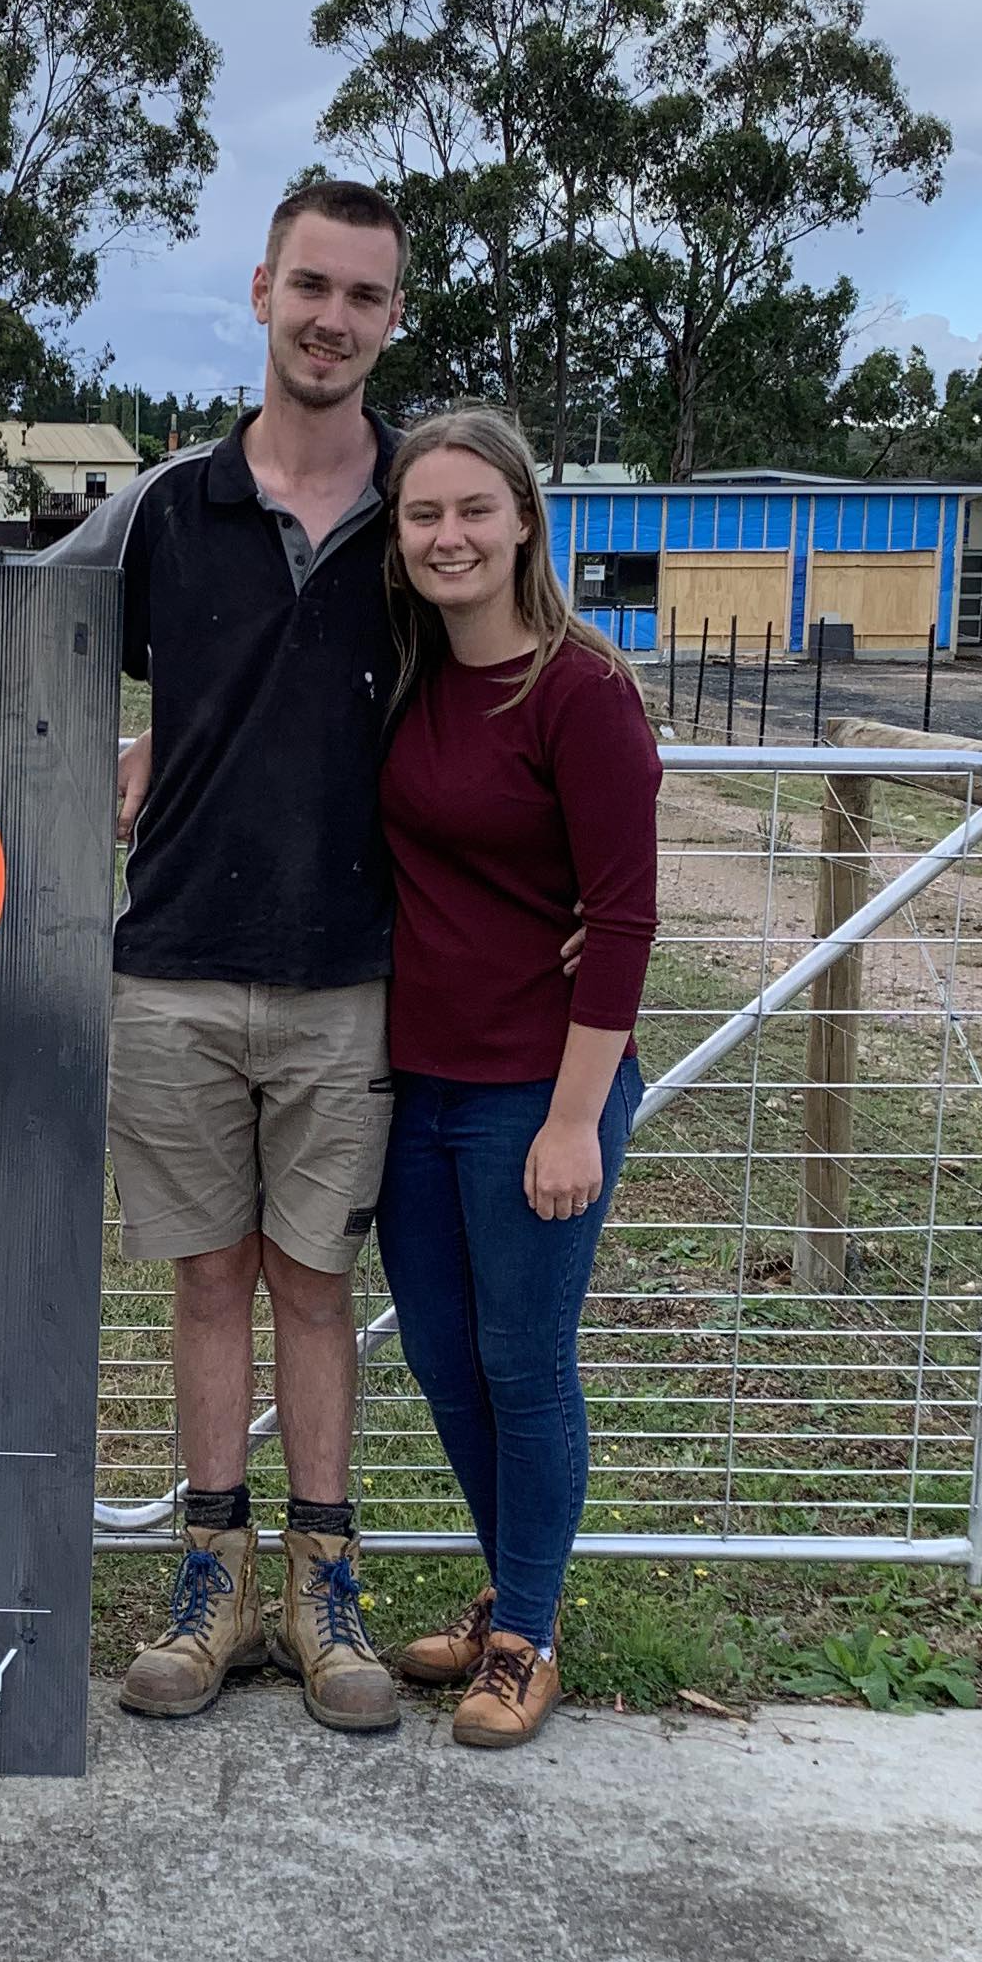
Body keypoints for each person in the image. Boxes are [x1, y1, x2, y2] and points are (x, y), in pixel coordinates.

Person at [44, 182, 414, 1734]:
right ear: (261, 289)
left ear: (394, 320)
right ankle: (211, 1583)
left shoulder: (429, 510)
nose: (332, 319)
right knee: (207, 1281)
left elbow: (540, 666)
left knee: (314, 1288)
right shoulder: (163, 510)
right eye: (310, 285)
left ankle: (326, 1597)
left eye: (366, 297)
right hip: (175, 961)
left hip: (355, 973)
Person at [371, 406, 659, 1749]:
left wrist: (571, 1119)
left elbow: (626, 920)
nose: (448, 537)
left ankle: (528, 1639)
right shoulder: (408, 679)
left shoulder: (582, 693)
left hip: (537, 1092)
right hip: (416, 1084)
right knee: (441, 1358)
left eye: (473, 511)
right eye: (423, 514)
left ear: (525, 523)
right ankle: (505, 1598)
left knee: (525, 1364)